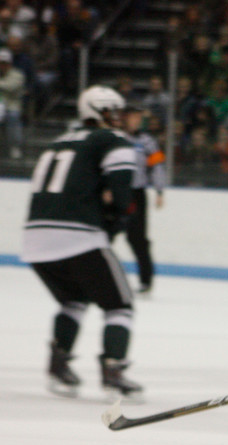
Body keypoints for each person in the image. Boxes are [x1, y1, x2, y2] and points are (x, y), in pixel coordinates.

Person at [20, 85, 145, 398]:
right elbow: (121, 196)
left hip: (34, 239)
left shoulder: (58, 141)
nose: (118, 117)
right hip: (78, 235)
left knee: (73, 301)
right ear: (97, 112)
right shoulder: (114, 141)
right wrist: (121, 216)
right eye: (112, 111)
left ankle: (58, 367)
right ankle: (113, 371)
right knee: (120, 306)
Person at [119, 105, 167, 295]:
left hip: (137, 194)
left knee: (138, 238)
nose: (137, 120)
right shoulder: (116, 138)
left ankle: (146, 280)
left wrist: (160, 191)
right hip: (115, 192)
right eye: (133, 117)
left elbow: (157, 166)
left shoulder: (148, 141)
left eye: (139, 117)